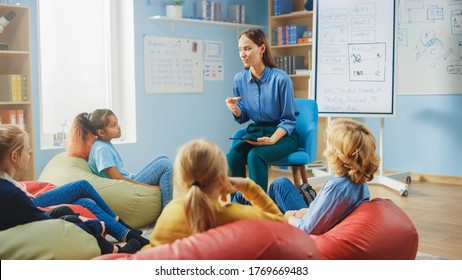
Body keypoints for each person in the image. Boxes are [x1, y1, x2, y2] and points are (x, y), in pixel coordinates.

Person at [0, 124, 141, 254]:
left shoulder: (7, 185)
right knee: (81, 188)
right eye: (27, 152)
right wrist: (95, 225)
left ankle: (120, 240)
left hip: (31, 212)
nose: (29, 156)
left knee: (83, 203)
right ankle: (121, 235)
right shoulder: (11, 194)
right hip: (36, 220)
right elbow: (48, 225)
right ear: (14, 156)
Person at [143, 139, 285, 248]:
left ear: (180, 179)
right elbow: (282, 227)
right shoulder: (238, 215)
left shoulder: (170, 212)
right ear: (223, 177)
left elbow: (150, 255)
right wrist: (248, 186)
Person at [266, 118, 380, 235]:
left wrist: (290, 218)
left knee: (269, 192)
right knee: (280, 183)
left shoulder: (336, 188)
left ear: (338, 155)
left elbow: (306, 230)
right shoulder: (359, 182)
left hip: (307, 237)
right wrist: (305, 211)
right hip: (320, 222)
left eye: (329, 146)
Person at [225, 28, 299, 193]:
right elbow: (243, 116)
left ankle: (259, 208)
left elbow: (289, 120)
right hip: (256, 131)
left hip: (282, 135)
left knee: (255, 155)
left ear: (262, 49)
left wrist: (272, 139)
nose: (243, 54)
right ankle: (239, 205)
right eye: (240, 49)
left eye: (248, 48)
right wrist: (235, 109)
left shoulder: (281, 79)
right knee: (233, 155)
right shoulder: (239, 79)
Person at [84, 109, 173, 208]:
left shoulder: (103, 144)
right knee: (165, 165)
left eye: (117, 122)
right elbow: (117, 179)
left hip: (130, 180)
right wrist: (150, 187)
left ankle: (167, 199)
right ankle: (167, 209)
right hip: (126, 187)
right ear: (101, 132)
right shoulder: (102, 150)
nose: (118, 127)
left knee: (162, 158)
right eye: (113, 125)